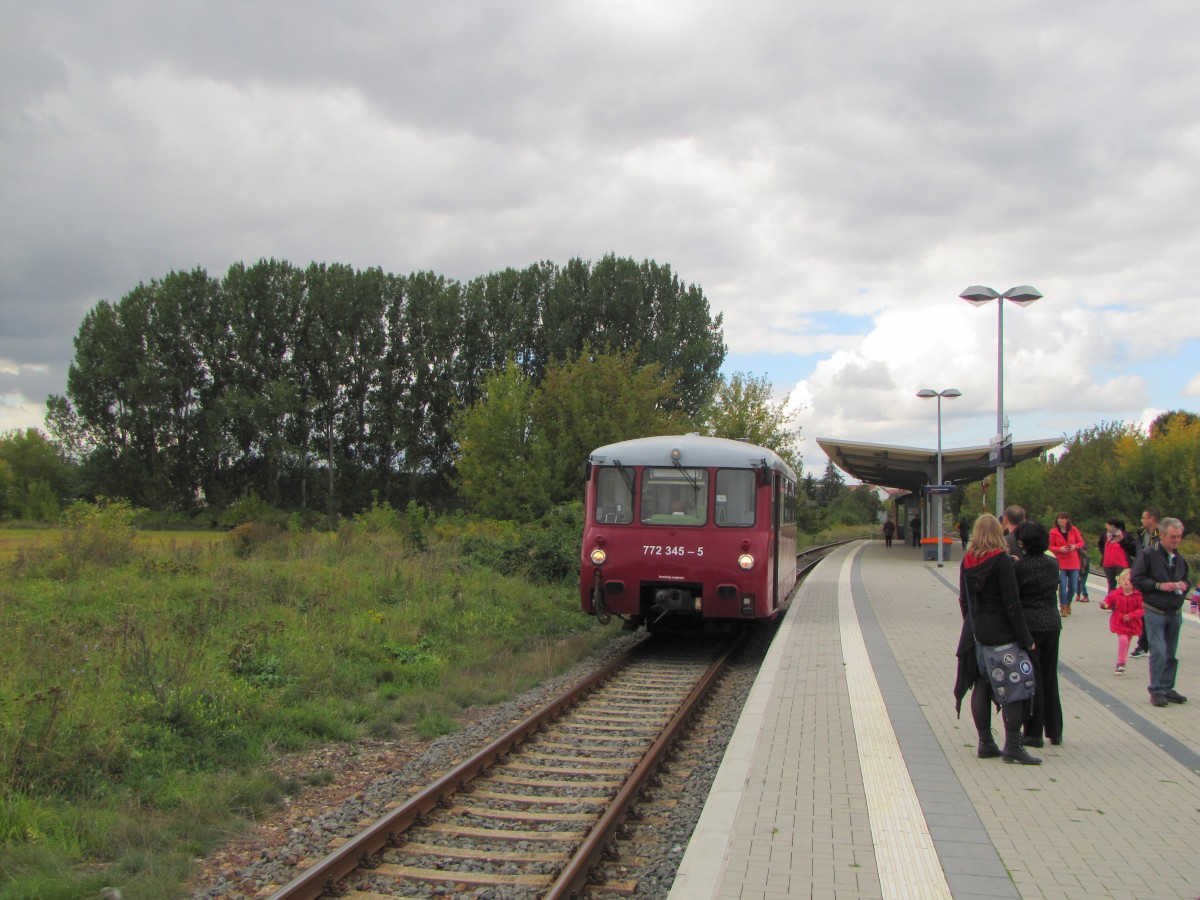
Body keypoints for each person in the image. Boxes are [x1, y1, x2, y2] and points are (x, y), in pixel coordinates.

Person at [953, 513, 1041, 765]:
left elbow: (963, 599)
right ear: (997, 533)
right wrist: (1025, 638)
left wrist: (972, 625)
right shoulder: (1000, 560)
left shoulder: (968, 560)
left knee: (982, 684)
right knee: (1015, 686)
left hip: (976, 634)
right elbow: (1012, 603)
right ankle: (1013, 745)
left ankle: (985, 743)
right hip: (1001, 635)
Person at [1131, 517, 1192, 707]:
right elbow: (1136, 579)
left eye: (1179, 537)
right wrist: (1159, 585)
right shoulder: (1148, 555)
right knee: (1159, 650)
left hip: (1175, 611)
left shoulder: (1179, 558)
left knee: (1171, 652)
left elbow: (1187, 579)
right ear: (1162, 535)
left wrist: (1184, 585)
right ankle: (1156, 689)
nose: (1176, 540)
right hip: (1155, 610)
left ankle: (1167, 687)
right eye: (1173, 537)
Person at [1013, 520, 1064, 747]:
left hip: (1030, 626)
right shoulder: (1053, 563)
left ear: (1024, 542)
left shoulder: (1020, 568)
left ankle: (1033, 732)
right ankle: (1055, 729)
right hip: (1051, 623)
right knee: (1050, 675)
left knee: (1033, 678)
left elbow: (1016, 595)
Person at [1129, 508, 1160, 658]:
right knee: (1143, 611)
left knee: (1154, 612)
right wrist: (1123, 541)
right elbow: (1136, 553)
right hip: (1142, 577)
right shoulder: (1141, 534)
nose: (1141, 520)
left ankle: (1152, 644)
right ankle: (1144, 645)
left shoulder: (1161, 535)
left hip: (1156, 578)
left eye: (1143, 518)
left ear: (1152, 519)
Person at [1102, 569, 1144, 676]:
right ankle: (1121, 663)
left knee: (1126, 643)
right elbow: (1108, 600)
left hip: (1132, 623)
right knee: (1123, 640)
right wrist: (1105, 605)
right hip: (1119, 622)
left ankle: (1122, 662)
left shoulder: (1138, 595)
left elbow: (1141, 610)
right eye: (1124, 579)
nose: (1126, 581)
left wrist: (1131, 616)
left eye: (1129, 580)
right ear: (1120, 581)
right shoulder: (1116, 593)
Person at [1049, 512, 1085, 617]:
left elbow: (1081, 542)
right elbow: (1049, 546)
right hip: (1060, 562)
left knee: (1073, 586)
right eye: (1058, 518)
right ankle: (1063, 606)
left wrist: (1074, 546)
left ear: (1067, 520)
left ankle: (1068, 603)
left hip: (1073, 562)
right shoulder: (1053, 532)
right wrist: (1059, 549)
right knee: (1063, 585)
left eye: (1062, 518)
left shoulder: (1073, 530)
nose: (1060, 520)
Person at [1099, 518, 1137, 593]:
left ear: (1112, 526)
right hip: (1108, 564)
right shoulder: (1105, 535)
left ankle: (1123, 598)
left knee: (1123, 584)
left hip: (1122, 564)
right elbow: (1100, 544)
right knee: (1111, 585)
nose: (1106, 526)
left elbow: (1132, 546)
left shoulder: (1125, 534)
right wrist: (1104, 553)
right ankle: (1111, 599)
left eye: (1107, 525)